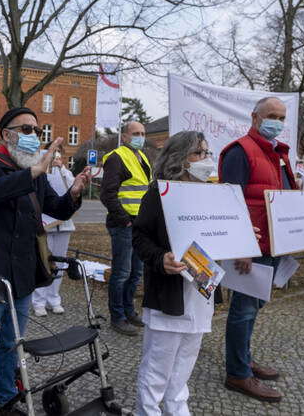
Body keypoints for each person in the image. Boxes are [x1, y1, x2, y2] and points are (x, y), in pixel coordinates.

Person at [0, 107, 91, 416]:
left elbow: (57, 209)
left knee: (13, 343)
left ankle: (7, 402)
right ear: (6, 134)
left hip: (22, 274)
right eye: (25, 130)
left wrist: (75, 192)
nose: (33, 136)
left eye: (36, 131)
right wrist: (33, 172)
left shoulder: (33, 171)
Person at [218, 96, 297, 403]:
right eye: (271, 115)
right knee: (244, 309)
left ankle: (245, 360)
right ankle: (237, 373)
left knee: (254, 306)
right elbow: (231, 201)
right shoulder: (241, 151)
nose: (277, 121)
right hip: (251, 245)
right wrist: (241, 246)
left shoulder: (278, 153)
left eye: (281, 116)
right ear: (255, 118)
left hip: (273, 243)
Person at [133, 131, 217, 416]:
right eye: (199, 153)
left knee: (184, 363)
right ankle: (148, 411)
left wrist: (242, 237)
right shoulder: (160, 193)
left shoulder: (212, 194)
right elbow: (140, 236)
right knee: (158, 365)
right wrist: (160, 258)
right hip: (169, 293)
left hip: (200, 292)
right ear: (180, 158)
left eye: (207, 152)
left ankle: (177, 407)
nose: (206, 159)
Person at [100, 121, 151, 336]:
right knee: (122, 273)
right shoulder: (116, 157)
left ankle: (129, 311)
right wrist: (125, 219)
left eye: (142, 133)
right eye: (135, 133)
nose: (140, 137)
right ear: (125, 136)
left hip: (140, 225)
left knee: (135, 272)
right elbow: (107, 195)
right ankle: (117, 317)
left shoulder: (143, 157)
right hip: (124, 225)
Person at [32, 143, 76, 316]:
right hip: (46, 224)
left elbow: (72, 189)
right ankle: (38, 301)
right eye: (54, 155)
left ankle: (54, 298)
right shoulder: (41, 173)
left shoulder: (65, 172)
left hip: (63, 225)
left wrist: (63, 170)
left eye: (59, 156)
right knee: (44, 261)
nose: (56, 159)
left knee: (60, 263)